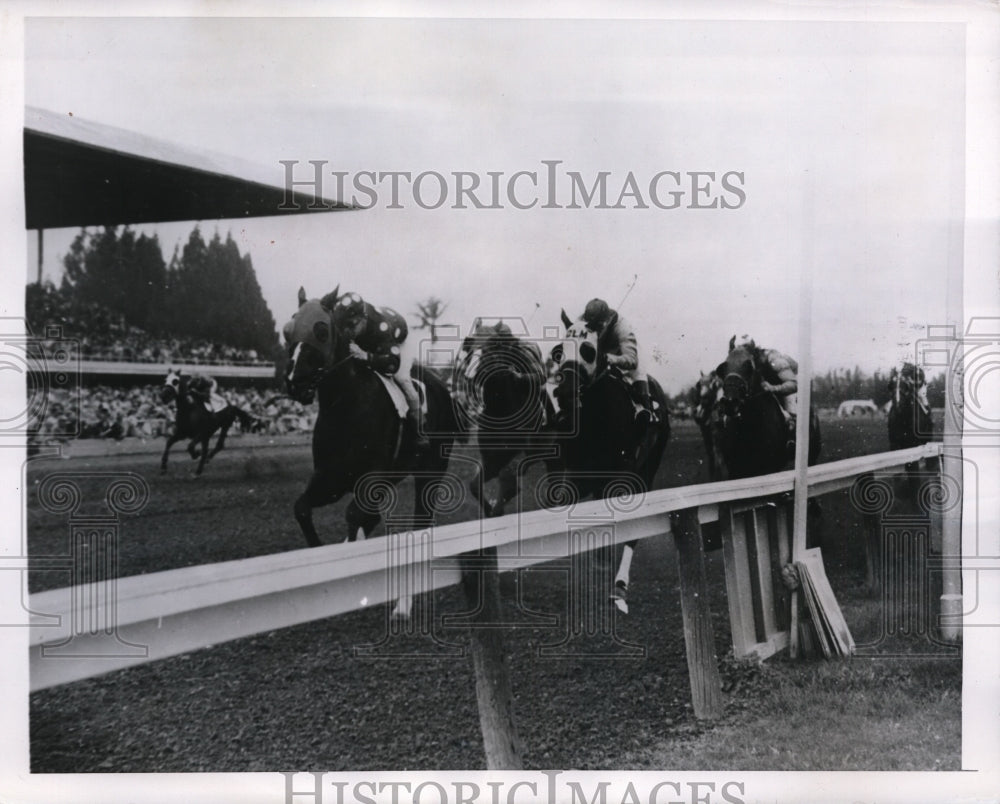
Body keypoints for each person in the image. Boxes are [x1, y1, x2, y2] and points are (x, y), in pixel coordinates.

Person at [332, 291, 430, 450]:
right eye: (344, 325)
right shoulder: (351, 320)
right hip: (371, 343)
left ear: (362, 319)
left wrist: (366, 356)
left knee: (402, 379)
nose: (346, 331)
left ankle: (420, 429)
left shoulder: (381, 327)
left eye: (351, 325)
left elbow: (392, 363)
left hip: (396, 344)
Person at [578, 298, 654, 424]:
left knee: (637, 375)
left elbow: (631, 360)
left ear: (605, 321)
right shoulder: (580, 321)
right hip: (598, 355)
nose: (594, 329)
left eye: (597, 326)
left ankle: (643, 411)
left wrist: (610, 358)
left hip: (625, 355)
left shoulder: (622, 326)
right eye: (591, 326)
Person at [729, 334, 798, 440]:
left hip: (782, 388)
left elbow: (794, 384)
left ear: (752, 350)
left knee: (791, 417)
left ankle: (792, 441)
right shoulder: (736, 362)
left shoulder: (771, 357)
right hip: (758, 393)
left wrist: (773, 388)